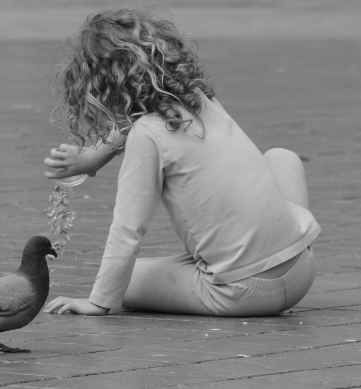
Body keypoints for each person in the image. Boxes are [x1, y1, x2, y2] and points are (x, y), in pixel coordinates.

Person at [39, 8, 320, 317]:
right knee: (282, 158)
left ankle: (117, 292)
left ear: (104, 87)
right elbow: (142, 124)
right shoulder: (199, 97)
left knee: (126, 280)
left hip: (240, 294)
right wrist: (93, 159)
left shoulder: (146, 134)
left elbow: (128, 229)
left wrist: (99, 301)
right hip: (301, 271)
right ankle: (282, 247)